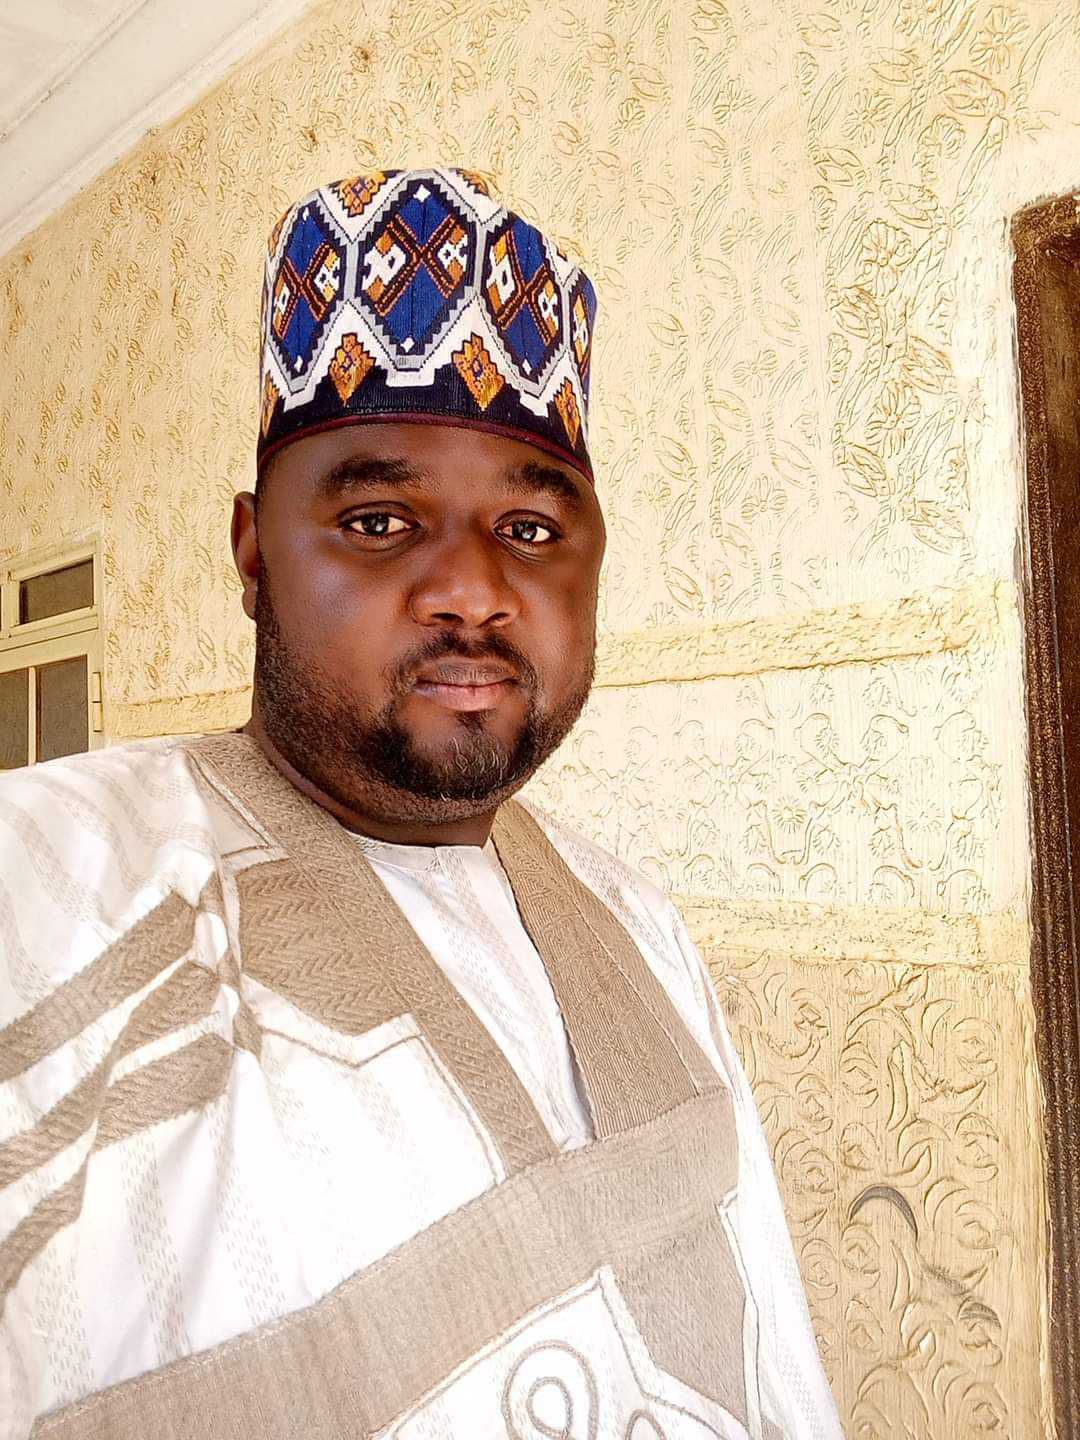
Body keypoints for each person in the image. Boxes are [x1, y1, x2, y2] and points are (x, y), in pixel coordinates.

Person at [0, 167, 842, 1439]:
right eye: (382, 520)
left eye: (532, 531)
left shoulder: (639, 923)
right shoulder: (50, 886)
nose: (472, 590)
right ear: (254, 556)